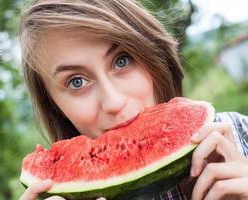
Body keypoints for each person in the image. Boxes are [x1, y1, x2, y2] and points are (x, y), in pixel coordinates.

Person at [18, 0, 248, 199]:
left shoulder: (241, 133)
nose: (114, 101)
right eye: (76, 81)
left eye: (122, 61)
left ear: (153, 58)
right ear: (56, 107)